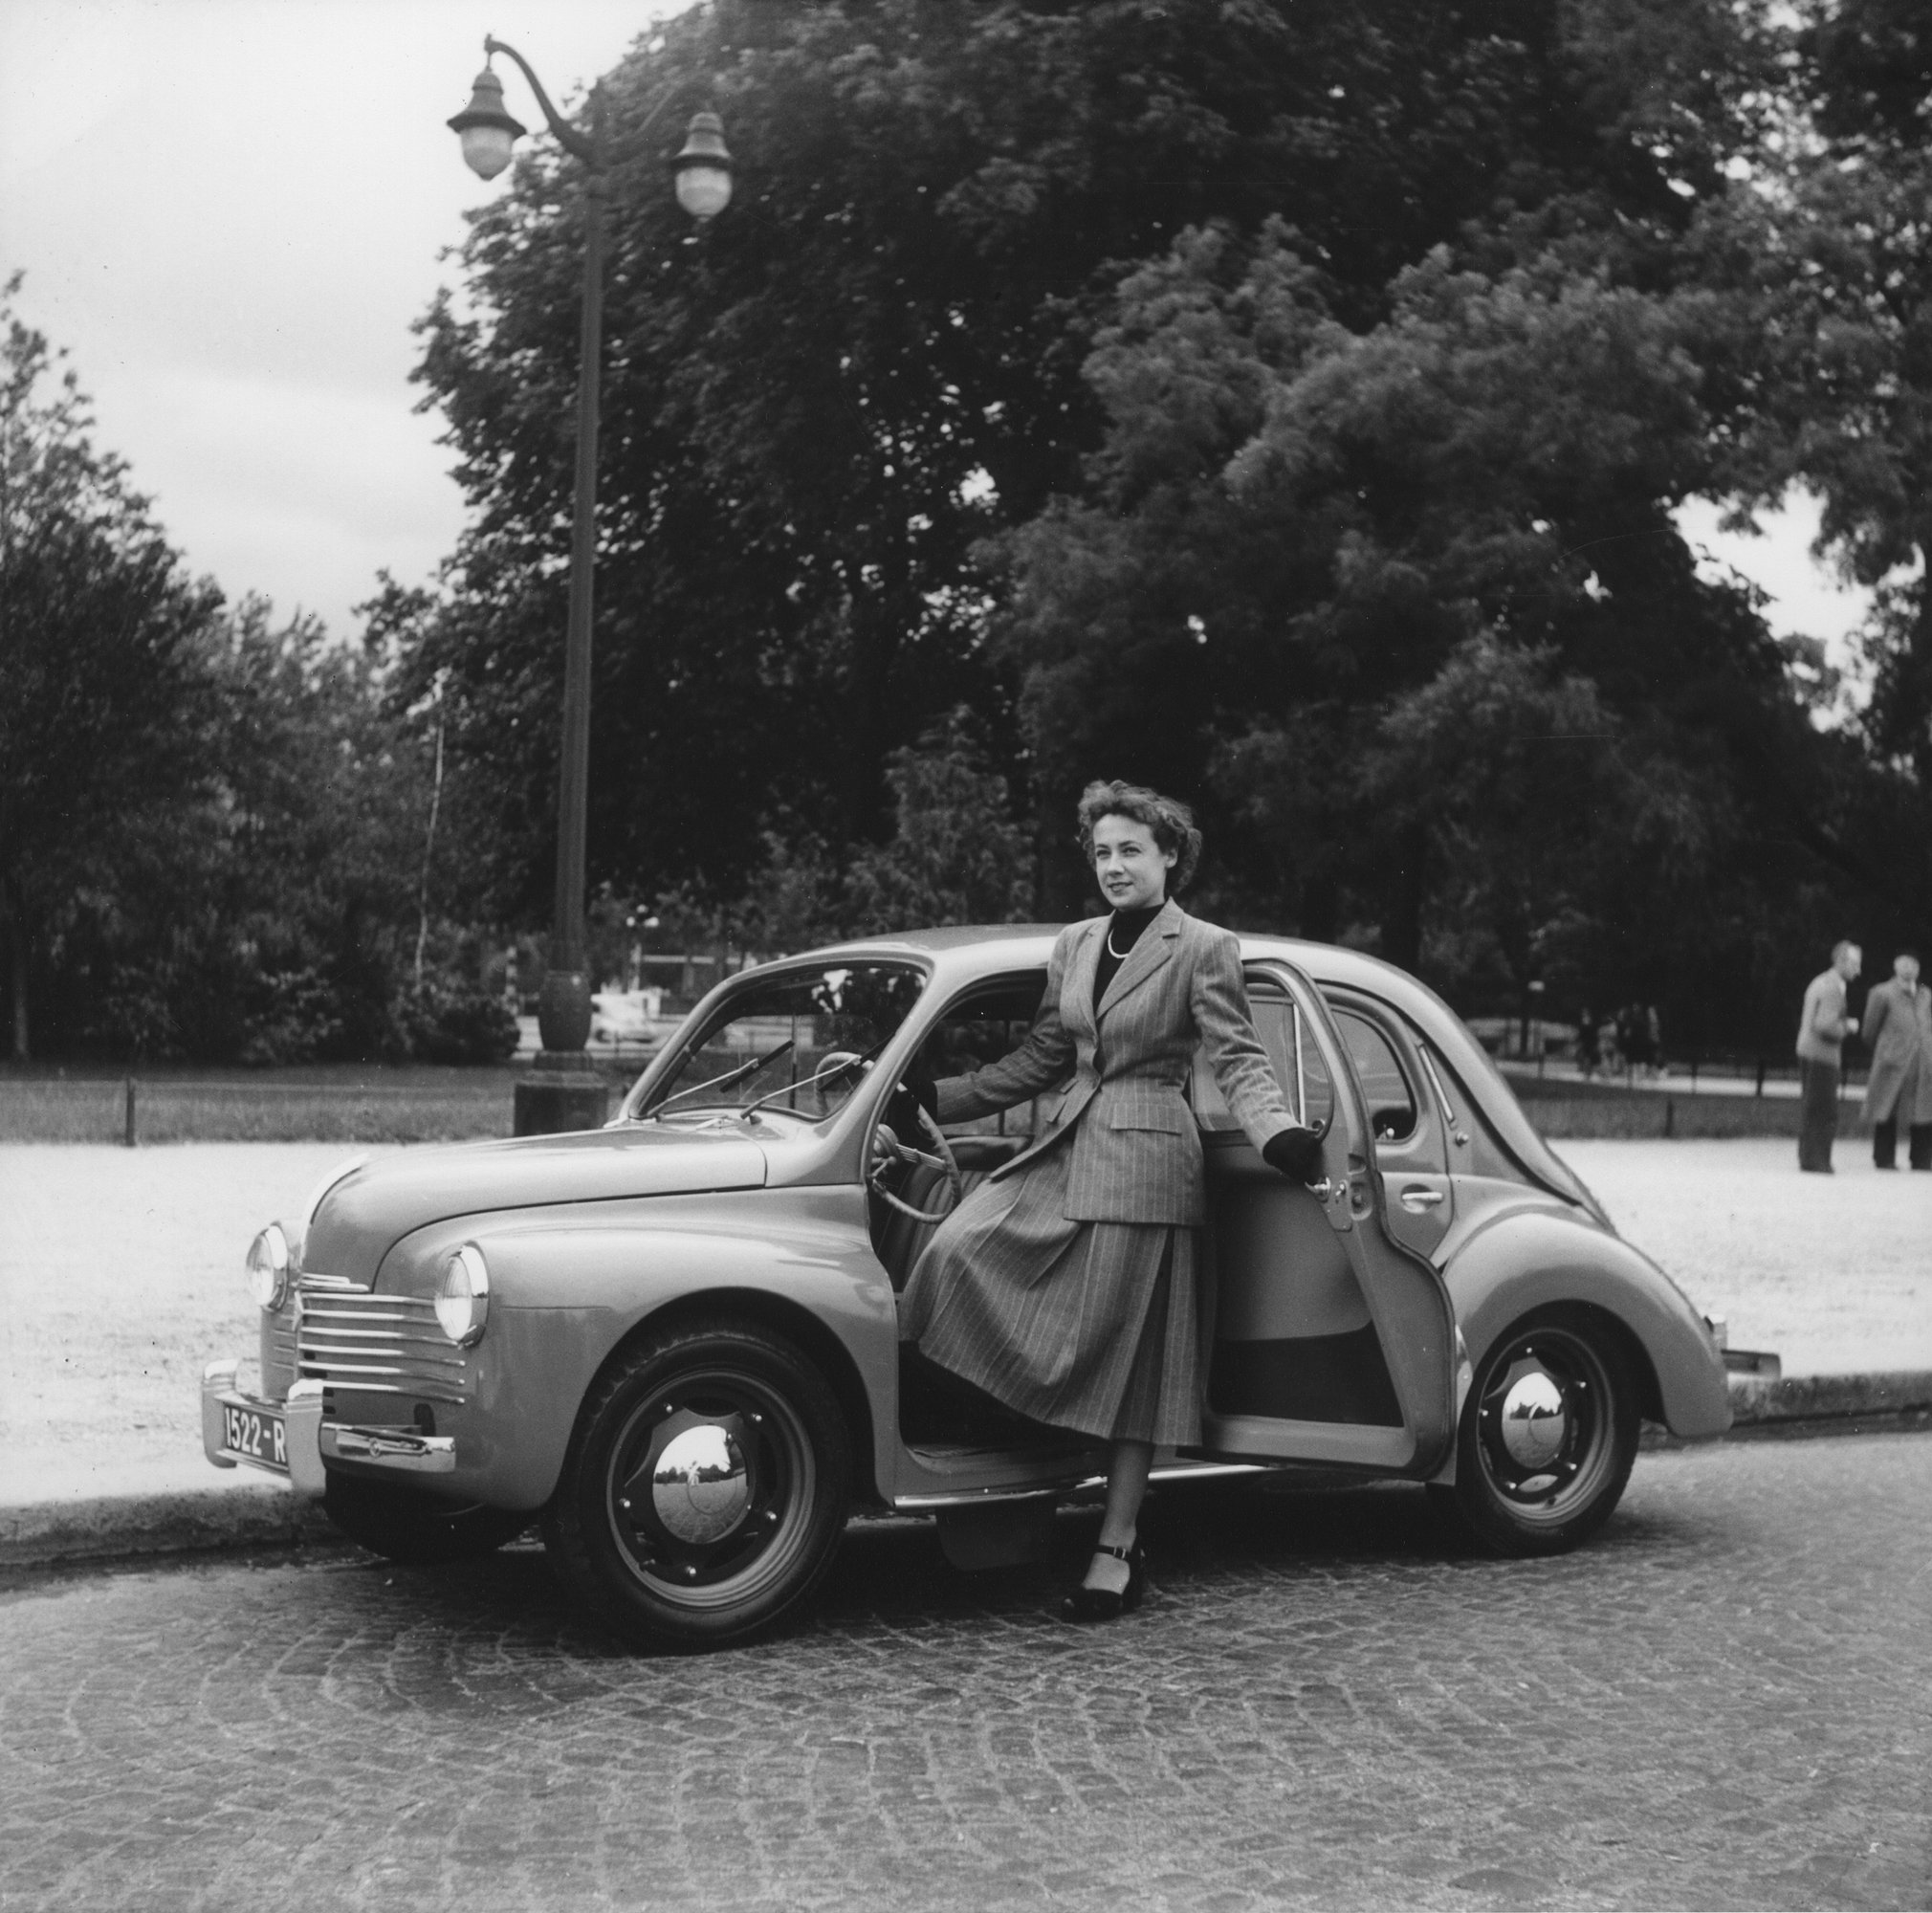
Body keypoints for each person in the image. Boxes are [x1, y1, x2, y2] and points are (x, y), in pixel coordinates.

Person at [897, 780, 1320, 1621]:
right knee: (954, 1255)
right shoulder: (1078, 942)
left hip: (1149, 1166)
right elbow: (1040, 1061)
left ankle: (1117, 1546)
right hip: (1065, 1148)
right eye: (1102, 852)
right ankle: (1020, 1462)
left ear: (1170, 856)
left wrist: (1279, 1135)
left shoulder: (1204, 947)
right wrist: (922, 1099)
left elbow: (1238, 1060)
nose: (1115, 865)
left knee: (1133, 1371)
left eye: (1132, 850)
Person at [1861, 950, 1932, 1171]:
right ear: (1895, 965)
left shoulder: (1925, 995)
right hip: (1892, 1061)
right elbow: (1869, 1031)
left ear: (1918, 968)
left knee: (1923, 1109)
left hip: (1920, 1062)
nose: (1908, 967)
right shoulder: (1882, 993)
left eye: (1913, 963)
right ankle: (1884, 1158)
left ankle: (1921, 1159)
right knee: (1886, 1106)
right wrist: (1887, 1048)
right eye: (1904, 963)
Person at [1795, 940, 1861, 1173]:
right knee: (1825, 1109)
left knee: (1812, 1106)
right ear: (1841, 961)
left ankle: (1808, 1157)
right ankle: (1817, 1161)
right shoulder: (1834, 988)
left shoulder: (1819, 981)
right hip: (1822, 1055)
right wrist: (1848, 1026)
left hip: (1807, 1050)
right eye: (1855, 964)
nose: (1858, 970)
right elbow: (1825, 1025)